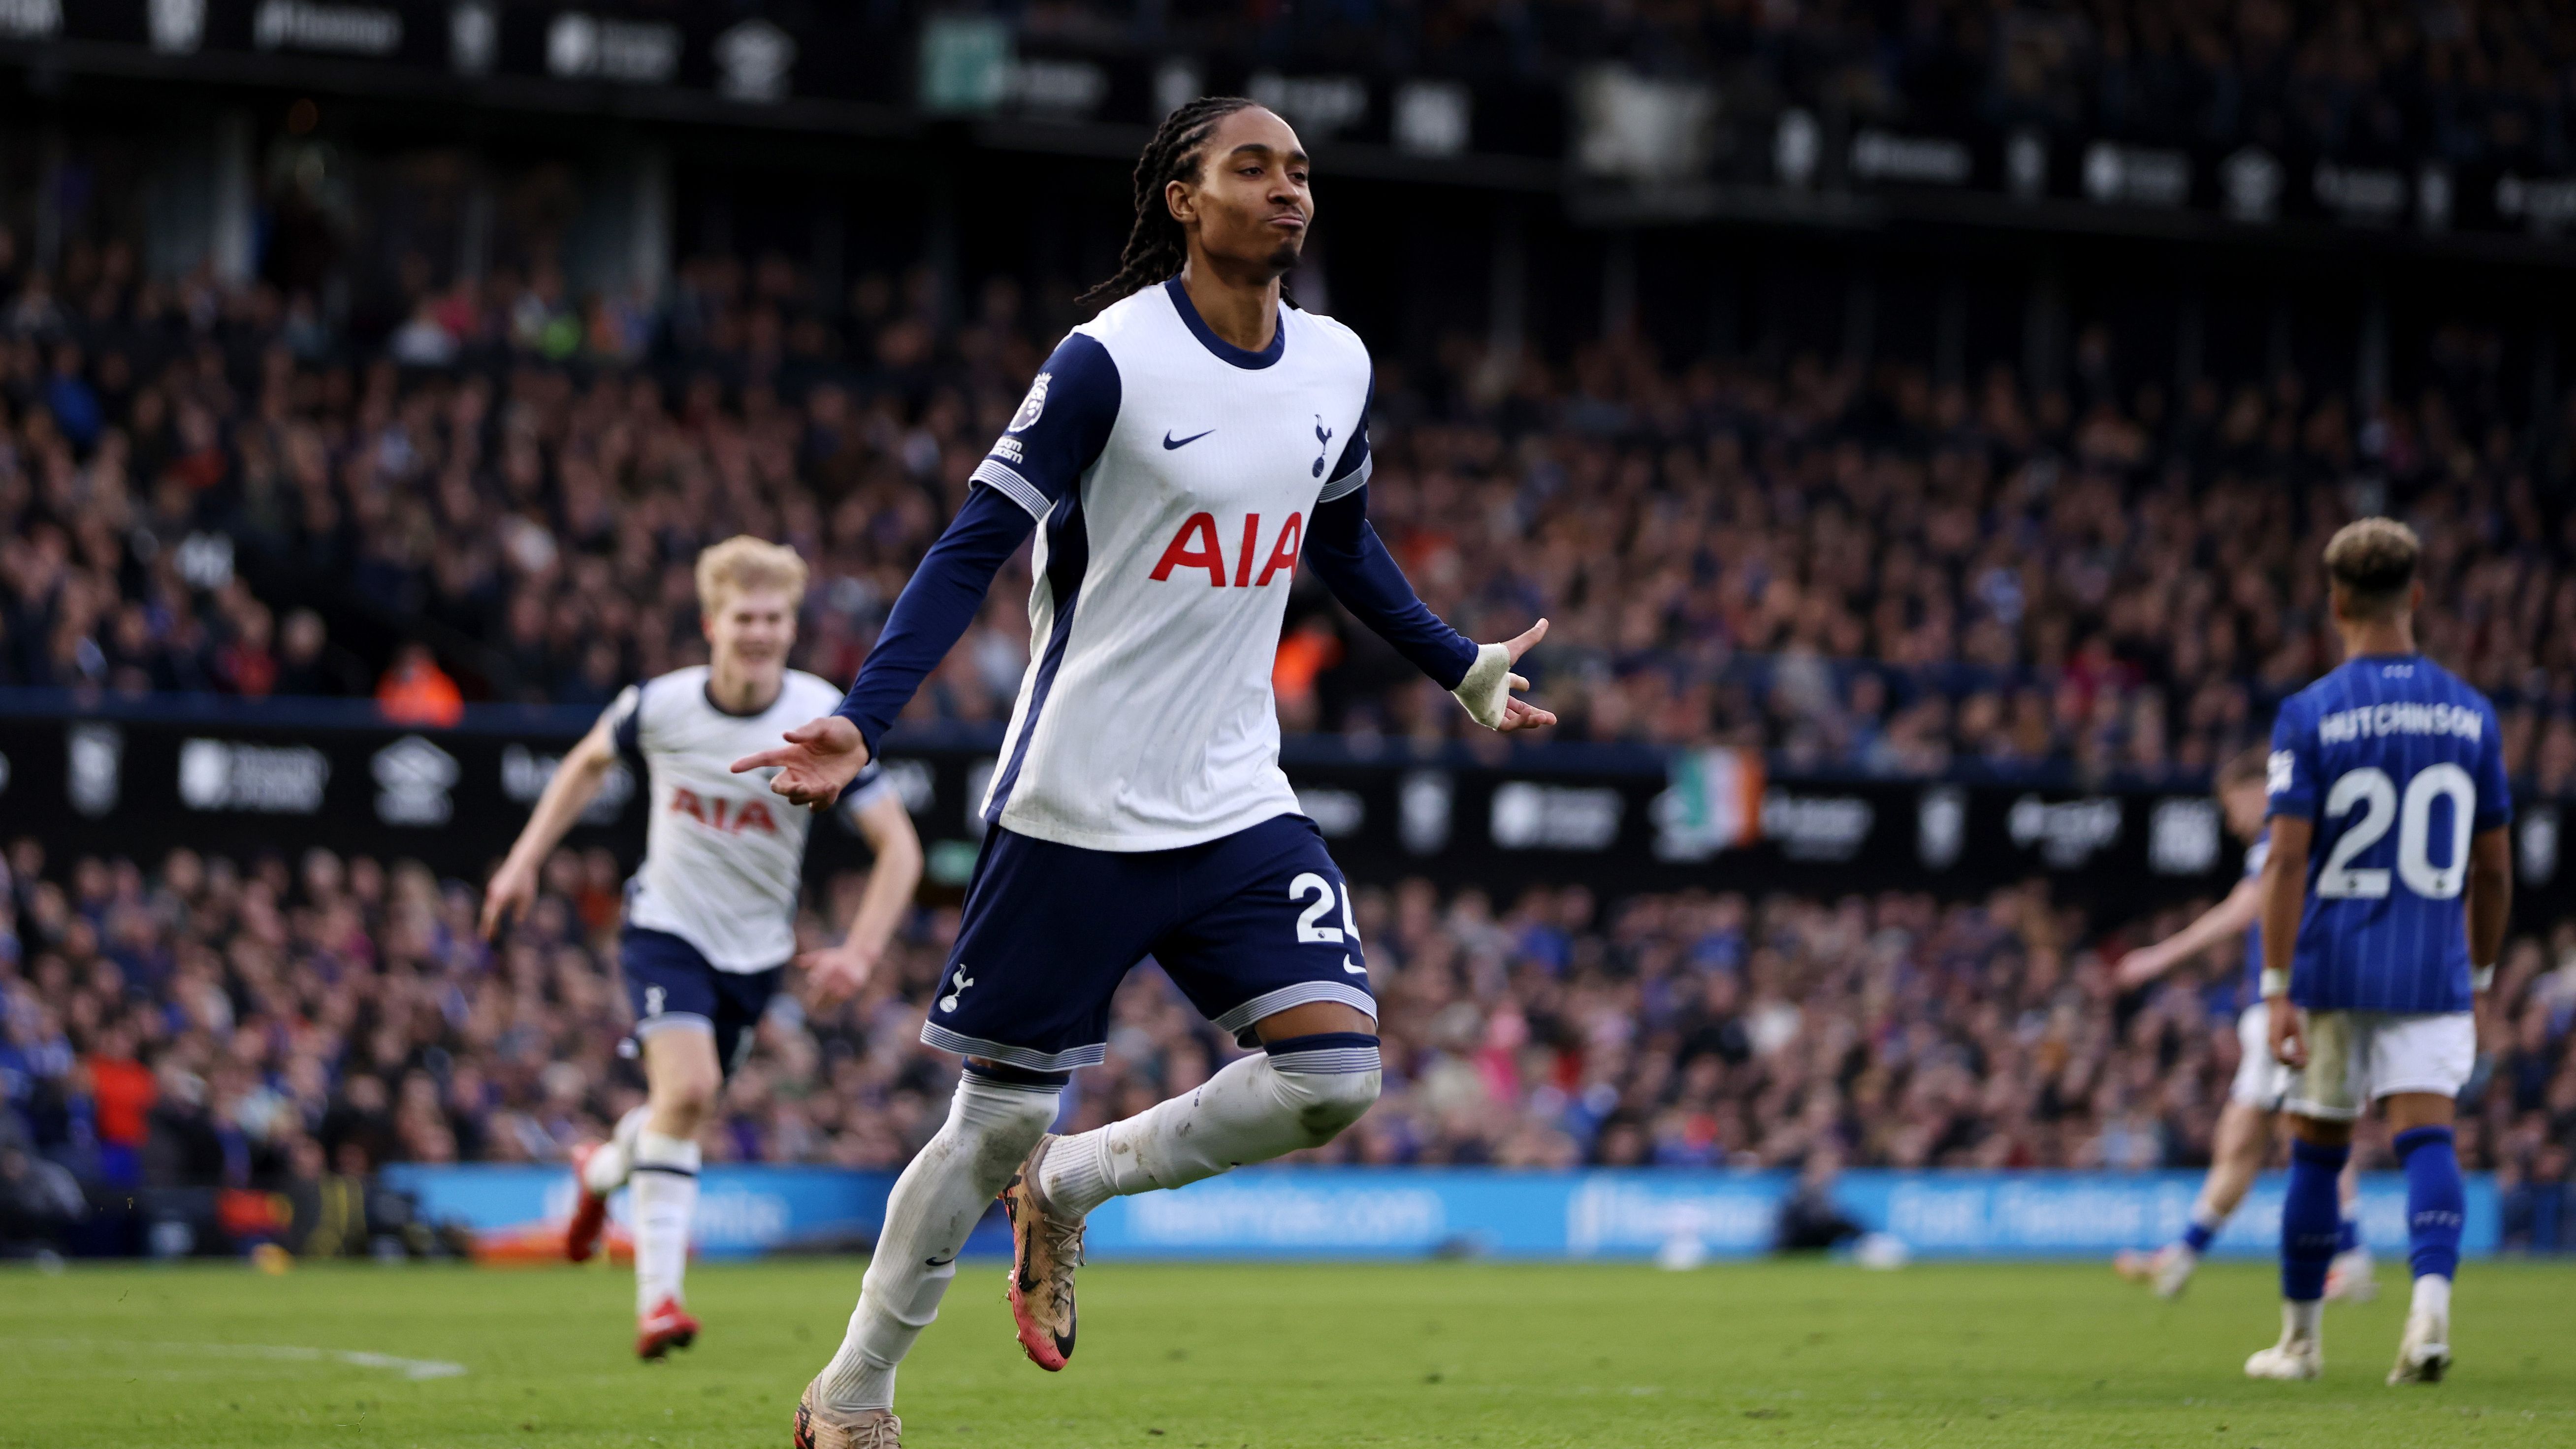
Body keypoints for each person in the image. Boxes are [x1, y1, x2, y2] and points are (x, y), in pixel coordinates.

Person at [733, 97, 1555, 1449]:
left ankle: (1077, 1179)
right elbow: (970, 543)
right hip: (1076, 804)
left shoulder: (1336, 364)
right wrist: (868, 716)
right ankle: (854, 1389)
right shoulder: (1106, 361)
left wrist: (1454, 660)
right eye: (1253, 167)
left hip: (1237, 797)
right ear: (1183, 195)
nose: (1288, 190)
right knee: (987, 1125)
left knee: (1335, 1076)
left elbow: (1340, 542)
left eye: (1300, 170)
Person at [480, 537, 922, 1360]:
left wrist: (859, 952)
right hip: (666, 928)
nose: (759, 632)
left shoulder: (823, 714)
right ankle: (659, 1303)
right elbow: (585, 763)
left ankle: (599, 1170)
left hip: (755, 955)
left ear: (791, 625)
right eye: (744, 616)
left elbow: (899, 847)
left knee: (678, 1109)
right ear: (711, 621)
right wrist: (521, 863)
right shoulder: (662, 706)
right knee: (689, 1088)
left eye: (774, 618)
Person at [2241, 518, 2510, 1385]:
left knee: (2317, 1151)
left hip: (2330, 966)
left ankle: (2301, 1343)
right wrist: (2477, 972)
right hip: (2429, 962)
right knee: (2428, 1137)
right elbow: (2494, 868)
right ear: (2416, 596)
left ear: (2336, 601)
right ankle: (2428, 1309)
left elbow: (2284, 858)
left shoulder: (2308, 712)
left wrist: (2275, 983)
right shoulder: (2471, 714)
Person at [2112, 747, 2373, 1301]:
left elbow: (2244, 907)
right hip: (2292, 1004)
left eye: (2232, 804)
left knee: (2306, 1131)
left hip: (2293, 1006)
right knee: (2244, 1138)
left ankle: (2350, 1261)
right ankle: (2181, 1258)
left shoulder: (2283, 835)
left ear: (2259, 791)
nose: (2231, 819)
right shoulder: (2304, 835)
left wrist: (2159, 957)